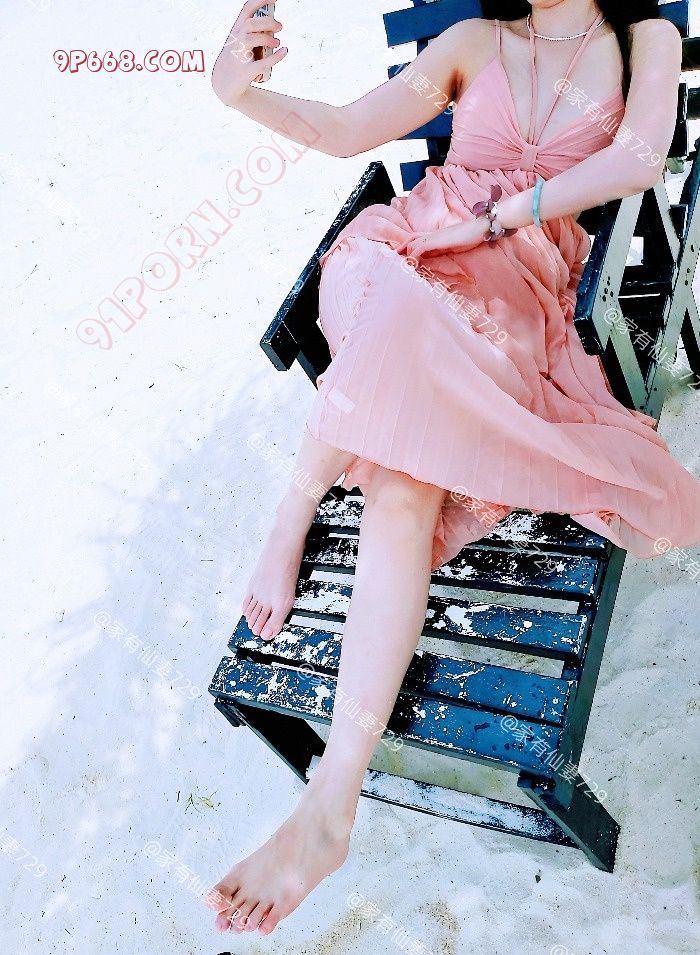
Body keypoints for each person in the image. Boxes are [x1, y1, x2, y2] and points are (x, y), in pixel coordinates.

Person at [205, 0, 698, 936]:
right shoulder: (474, 42)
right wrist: (239, 95)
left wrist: (512, 212)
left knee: (402, 488)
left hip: (514, 283)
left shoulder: (648, 39)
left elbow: (640, 160)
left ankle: (330, 802)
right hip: (405, 247)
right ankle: (293, 522)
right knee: (389, 303)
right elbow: (347, 129)